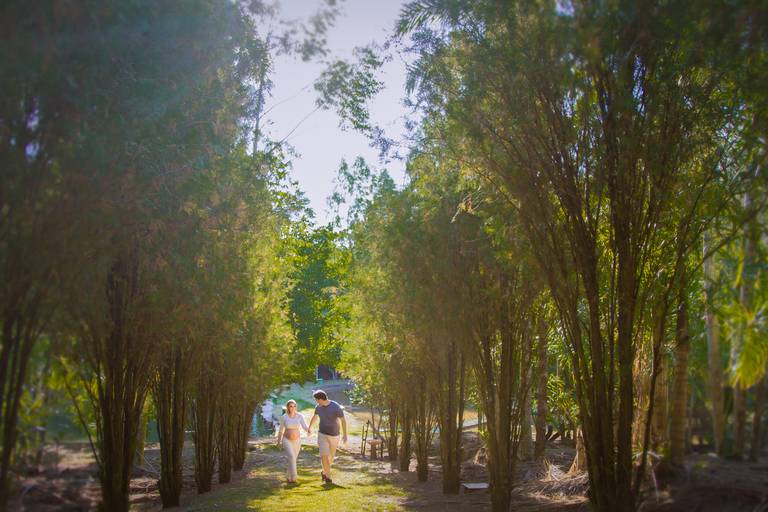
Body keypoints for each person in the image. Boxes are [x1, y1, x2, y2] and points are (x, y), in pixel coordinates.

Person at [307, 389, 347, 484]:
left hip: (334, 435)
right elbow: (315, 416)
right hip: (322, 434)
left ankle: (324, 472)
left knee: (331, 457)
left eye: (317, 400)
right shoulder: (318, 407)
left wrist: (345, 434)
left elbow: (343, 420)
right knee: (324, 455)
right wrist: (310, 428)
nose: (316, 402)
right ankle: (328, 478)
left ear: (321, 399)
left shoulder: (335, 407)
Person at [276, 399, 309, 483]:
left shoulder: (300, 416)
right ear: (288, 407)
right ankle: (294, 477)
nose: (293, 408)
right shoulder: (284, 417)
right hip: (286, 440)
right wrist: (278, 442)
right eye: (291, 406)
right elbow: (280, 431)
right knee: (291, 457)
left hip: (297, 441)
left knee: (293, 459)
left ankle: (288, 476)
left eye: (294, 406)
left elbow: (305, 427)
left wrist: (309, 430)